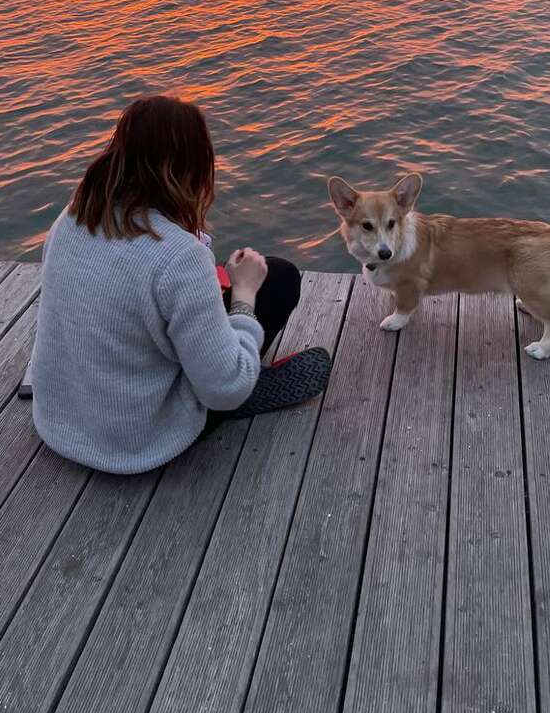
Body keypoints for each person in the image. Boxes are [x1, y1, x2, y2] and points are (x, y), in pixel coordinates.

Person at [25, 95, 330, 474]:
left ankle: (225, 355)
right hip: (137, 439)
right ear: (192, 167)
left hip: (60, 419)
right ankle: (246, 371)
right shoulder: (178, 256)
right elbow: (225, 389)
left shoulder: (73, 216)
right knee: (279, 278)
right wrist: (245, 296)